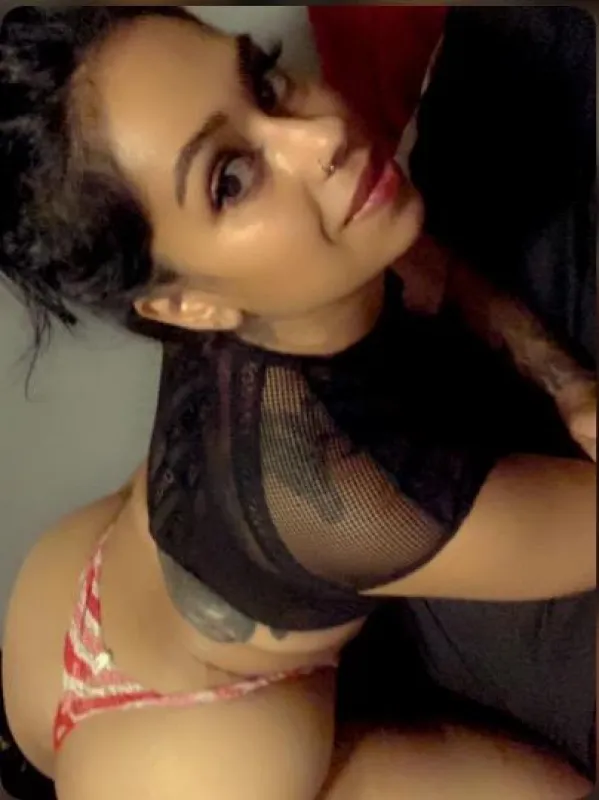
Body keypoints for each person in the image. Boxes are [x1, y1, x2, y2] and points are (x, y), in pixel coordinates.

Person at [0, 7, 594, 799]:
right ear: (182, 309)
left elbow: (429, 264)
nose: (321, 138)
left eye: (265, 83)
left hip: (69, 605)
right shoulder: (342, 498)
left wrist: (566, 380)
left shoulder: (264, 267)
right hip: (181, 766)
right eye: (229, 179)